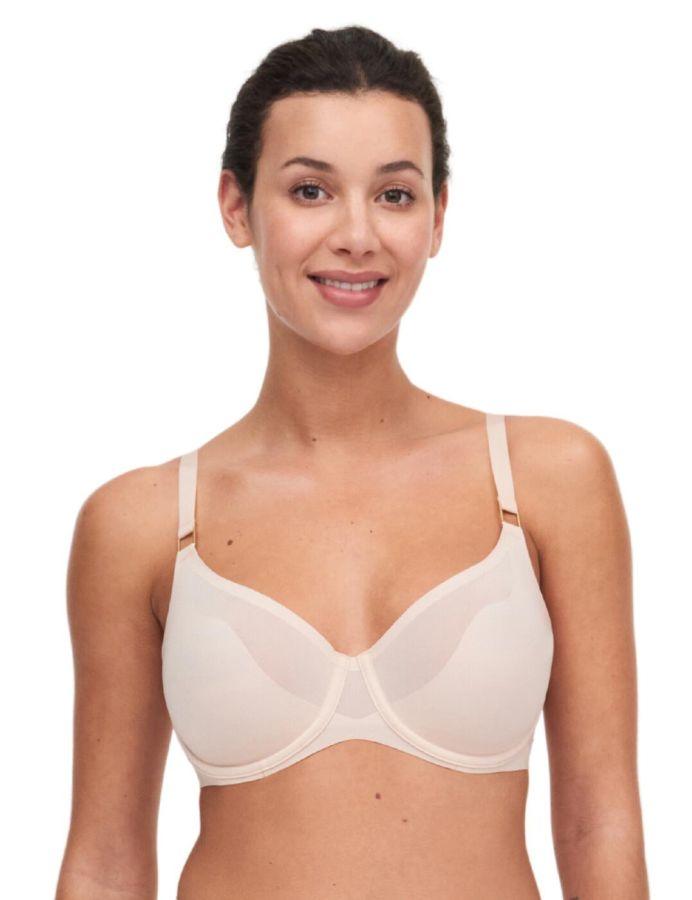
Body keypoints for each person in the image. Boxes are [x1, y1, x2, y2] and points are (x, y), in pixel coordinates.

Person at [55, 25, 649, 900]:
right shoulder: (139, 523)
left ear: (437, 217)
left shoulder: (548, 479)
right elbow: (105, 863)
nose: (357, 235)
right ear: (236, 207)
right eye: (311, 190)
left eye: (395, 195)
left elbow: (600, 822)